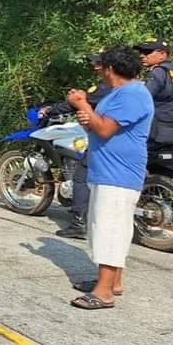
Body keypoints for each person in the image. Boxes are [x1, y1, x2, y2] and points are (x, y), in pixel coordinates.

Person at [66, 45, 153, 310]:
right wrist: (87, 117)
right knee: (106, 228)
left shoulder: (132, 94)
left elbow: (104, 129)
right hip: (107, 170)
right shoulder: (120, 94)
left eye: (101, 66)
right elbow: (98, 123)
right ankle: (111, 281)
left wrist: (81, 103)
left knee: (110, 230)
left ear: (111, 69)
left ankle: (104, 293)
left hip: (119, 174)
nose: (98, 70)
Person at [40, 51, 112, 240]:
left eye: (99, 63)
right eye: (94, 62)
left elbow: (77, 104)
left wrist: (51, 109)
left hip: (105, 140)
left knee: (81, 177)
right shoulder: (137, 87)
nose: (95, 66)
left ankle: (79, 223)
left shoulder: (105, 87)